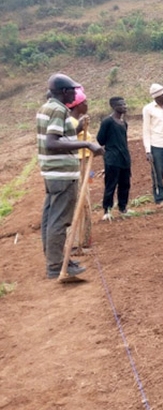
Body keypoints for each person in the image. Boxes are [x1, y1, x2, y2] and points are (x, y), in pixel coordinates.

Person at [37, 73, 104, 280]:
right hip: (62, 173)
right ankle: (56, 266)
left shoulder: (46, 108)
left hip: (51, 172)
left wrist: (77, 127)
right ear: (64, 91)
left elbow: (60, 136)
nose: (75, 94)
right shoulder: (59, 110)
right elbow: (53, 142)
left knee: (50, 217)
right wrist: (86, 144)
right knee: (59, 219)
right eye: (73, 90)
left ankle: (55, 260)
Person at [66, 87, 93, 249]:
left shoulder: (80, 120)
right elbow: (67, 141)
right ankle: (75, 242)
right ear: (77, 105)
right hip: (77, 163)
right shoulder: (71, 123)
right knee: (78, 200)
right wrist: (79, 129)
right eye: (85, 102)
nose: (87, 104)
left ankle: (84, 238)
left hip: (86, 163)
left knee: (86, 199)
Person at [97, 96, 132, 220]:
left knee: (125, 184)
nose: (125, 106)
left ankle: (123, 208)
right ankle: (107, 210)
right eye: (122, 104)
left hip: (124, 158)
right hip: (112, 158)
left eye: (125, 104)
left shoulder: (124, 123)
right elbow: (100, 139)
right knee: (111, 184)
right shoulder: (107, 122)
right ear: (114, 106)